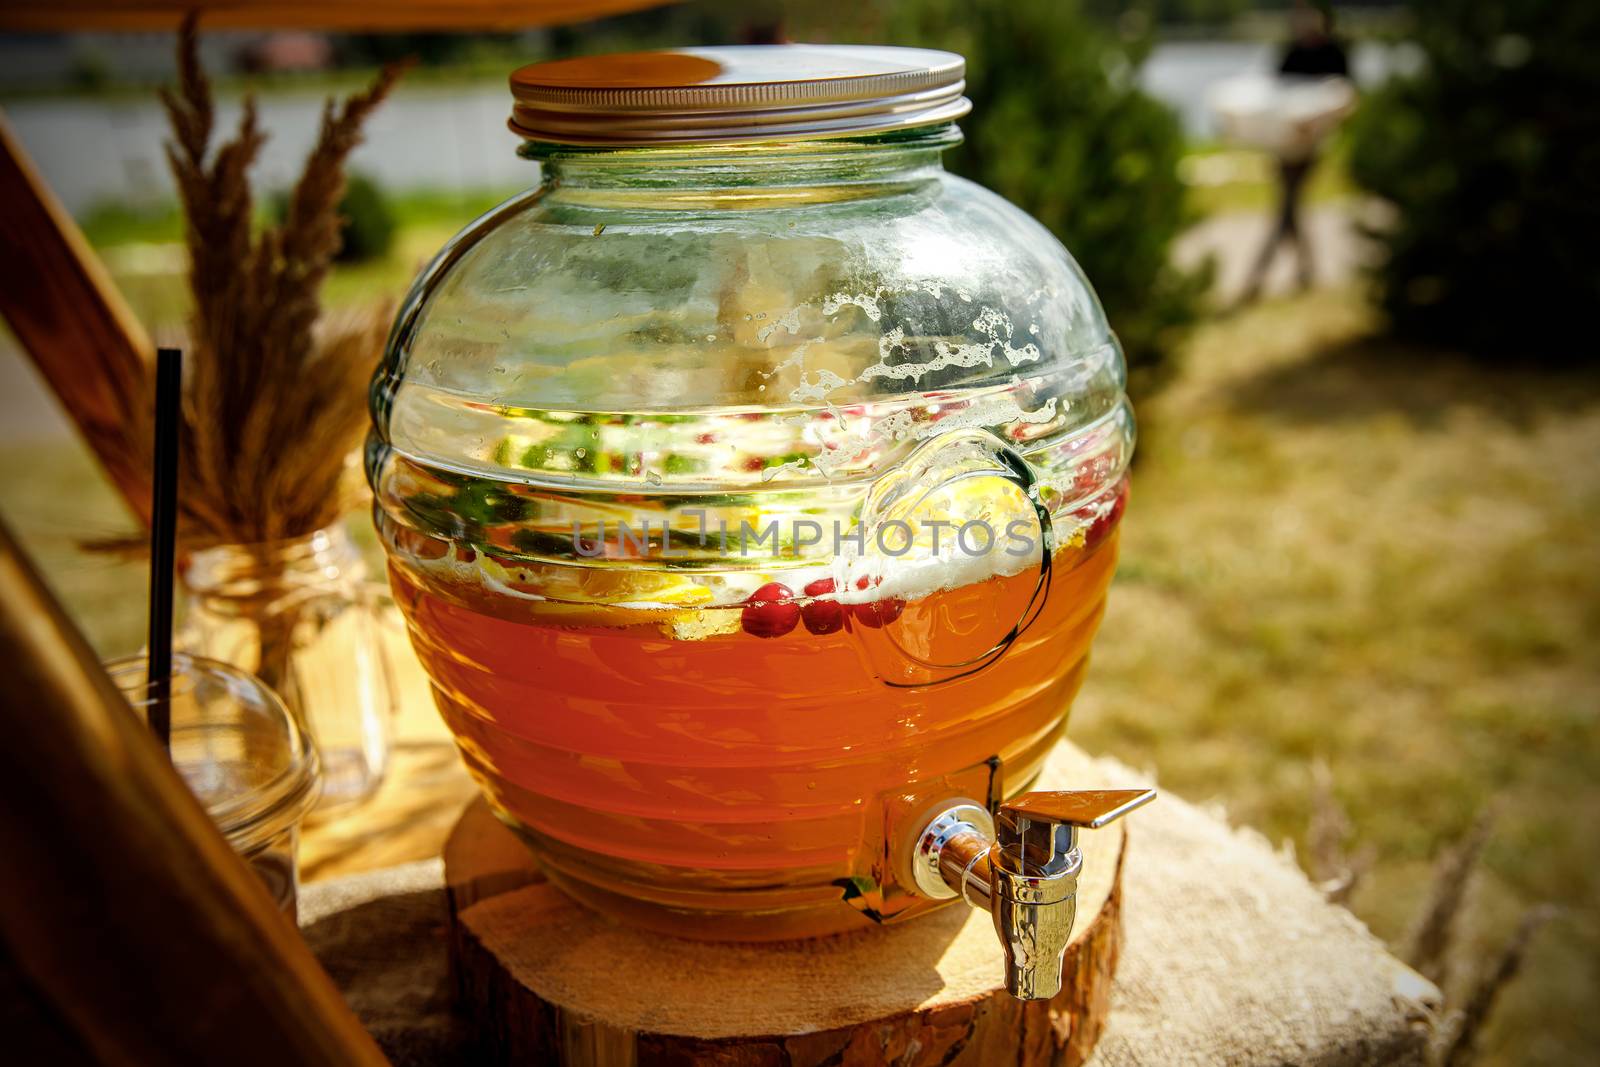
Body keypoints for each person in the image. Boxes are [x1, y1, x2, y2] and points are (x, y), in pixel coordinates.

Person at [1239, 2, 1350, 304]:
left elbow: (1344, 98)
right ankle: (1307, 272)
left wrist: (1315, 123)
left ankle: (1256, 278)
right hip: (1284, 144)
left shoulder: (1334, 53)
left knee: (1287, 208)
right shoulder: (1290, 53)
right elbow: (1275, 95)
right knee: (1291, 208)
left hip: (1312, 145)